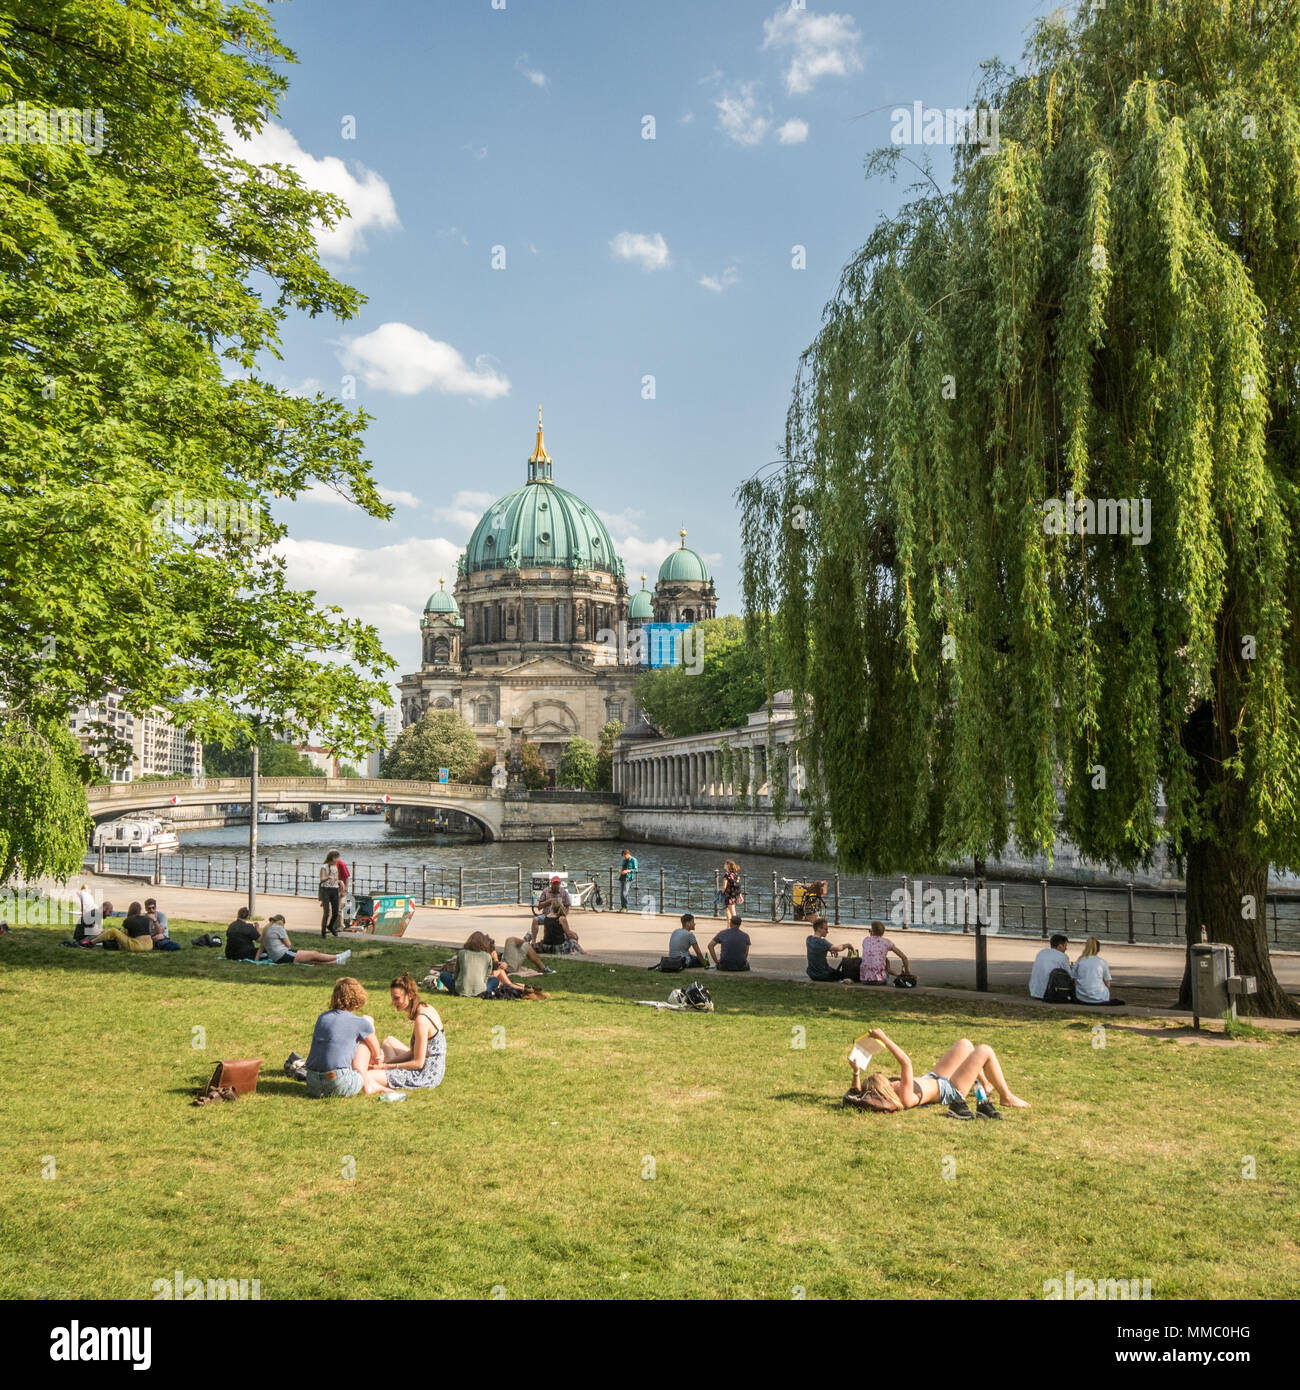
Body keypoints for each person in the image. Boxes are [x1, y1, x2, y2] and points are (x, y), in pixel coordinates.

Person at [849, 1028, 1029, 1117]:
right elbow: (905, 1062)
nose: (890, 1080)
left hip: (934, 1077)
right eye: (886, 1082)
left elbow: (857, 1093)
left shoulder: (892, 1090)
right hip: (951, 1089)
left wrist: (856, 1072)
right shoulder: (904, 1097)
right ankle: (1007, 1097)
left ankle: (986, 1084)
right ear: (885, 1090)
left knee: (965, 1044)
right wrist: (884, 1038)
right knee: (984, 1050)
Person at [300, 977, 393, 1097]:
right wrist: (378, 1061)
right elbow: (377, 1054)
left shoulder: (322, 1017)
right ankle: (368, 1083)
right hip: (339, 1083)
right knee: (367, 1025)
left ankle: (364, 1077)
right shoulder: (359, 1023)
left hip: (313, 1084)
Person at [373, 972, 446, 1090]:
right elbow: (414, 1053)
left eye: (397, 998)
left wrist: (388, 1066)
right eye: (392, 999)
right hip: (434, 1068)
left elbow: (418, 1063)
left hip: (425, 1075)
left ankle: (384, 1079)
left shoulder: (421, 1020)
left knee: (368, 1075)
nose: (393, 1003)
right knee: (388, 1041)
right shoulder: (426, 1007)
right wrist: (386, 1065)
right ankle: (384, 1069)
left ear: (410, 995)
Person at [260, 913, 351, 967]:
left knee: (311, 961)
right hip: (283, 954)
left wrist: (256, 960)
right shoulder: (279, 928)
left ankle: (337, 961)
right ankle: (338, 956)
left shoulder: (266, 929)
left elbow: (261, 946)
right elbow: (288, 944)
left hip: (276, 958)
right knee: (314, 954)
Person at [436, 932, 500, 996]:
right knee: (495, 980)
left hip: (461, 989)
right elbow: (487, 974)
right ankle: (484, 991)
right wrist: (483, 984)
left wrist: (457, 981)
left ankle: (456, 991)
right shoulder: (487, 956)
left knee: (443, 975)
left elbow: (457, 972)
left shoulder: (462, 953)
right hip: (480, 990)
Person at [534, 876, 584, 954]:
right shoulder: (545, 891)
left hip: (558, 916)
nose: (556, 885)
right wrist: (548, 902)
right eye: (554, 884)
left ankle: (568, 948)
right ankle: (534, 941)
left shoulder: (563, 892)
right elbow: (539, 907)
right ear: (551, 884)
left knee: (562, 926)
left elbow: (567, 905)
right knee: (535, 919)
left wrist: (564, 915)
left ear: (560, 884)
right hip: (546, 915)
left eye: (557, 884)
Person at [1072, 937, 1124, 1005]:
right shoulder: (1102, 962)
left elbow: (1074, 979)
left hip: (1081, 997)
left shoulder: (1079, 961)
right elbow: (1107, 984)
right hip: (1100, 997)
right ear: (1098, 950)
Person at [806, 917, 854, 981]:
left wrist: (830, 949)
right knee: (845, 975)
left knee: (833, 971)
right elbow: (839, 948)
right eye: (826, 929)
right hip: (822, 975)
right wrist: (848, 945)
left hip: (812, 974)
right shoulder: (823, 942)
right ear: (819, 929)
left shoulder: (809, 939)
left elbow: (817, 949)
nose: (827, 932)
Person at [1029, 934, 1071, 1000]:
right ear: (1060, 946)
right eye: (1065, 946)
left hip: (1034, 992)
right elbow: (1070, 975)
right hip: (1048, 993)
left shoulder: (1042, 952)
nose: (1066, 949)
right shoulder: (1063, 956)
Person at [319, 851, 342, 937]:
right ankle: (323, 931)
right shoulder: (324, 867)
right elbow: (321, 879)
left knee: (336, 912)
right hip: (326, 890)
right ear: (333, 858)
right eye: (337, 858)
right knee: (326, 913)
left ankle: (331, 926)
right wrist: (328, 877)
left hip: (334, 890)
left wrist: (340, 882)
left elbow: (335, 880)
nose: (338, 860)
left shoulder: (335, 867)